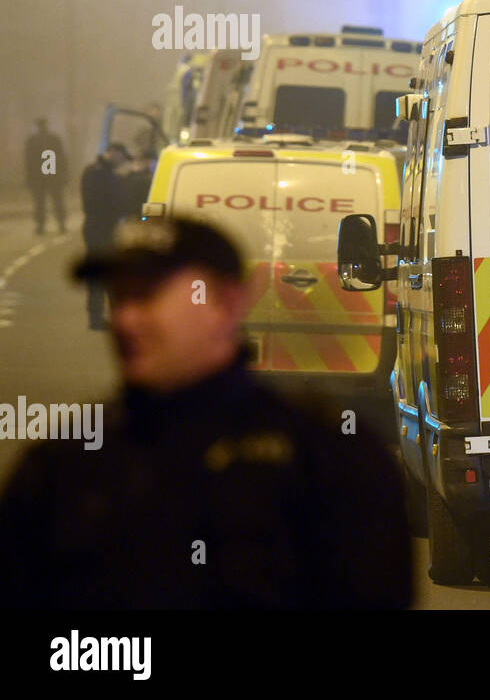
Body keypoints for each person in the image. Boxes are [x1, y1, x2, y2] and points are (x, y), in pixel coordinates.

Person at [0, 216, 411, 608]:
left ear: (225, 304)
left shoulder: (328, 459)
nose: (124, 319)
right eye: (118, 297)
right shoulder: (61, 466)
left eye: (146, 296)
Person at [79, 143, 130, 329]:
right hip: (101, 228)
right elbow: (113, 202)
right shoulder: (101, 174)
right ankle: (97, 317)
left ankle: (99, 316)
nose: (122, 163)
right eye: (122, 158)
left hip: (97, 227)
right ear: (114, 154)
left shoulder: (95, 171)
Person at [23, 117, 67, 236]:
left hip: (39, 177)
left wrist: (29, 178)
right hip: (52, 175)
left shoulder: (32, 141)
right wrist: (63, 176)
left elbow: (28, 161)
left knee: (40, 202)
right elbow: (62, 159)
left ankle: (42, 225)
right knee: (55, 201)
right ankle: (60, 223)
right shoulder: (54, 139)